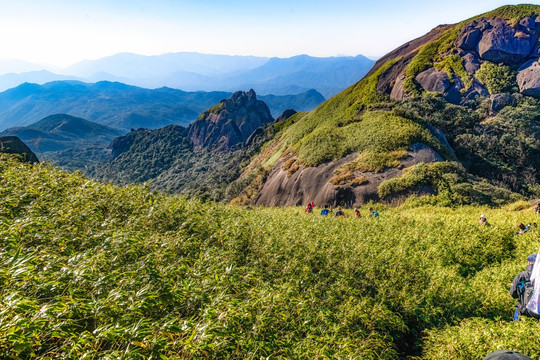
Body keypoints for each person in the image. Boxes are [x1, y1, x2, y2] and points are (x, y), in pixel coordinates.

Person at [509, 253, 540, 320]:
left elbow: (512, 293)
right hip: (537, 312)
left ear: (528, 263)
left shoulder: (521, 275)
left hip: (522, 310)